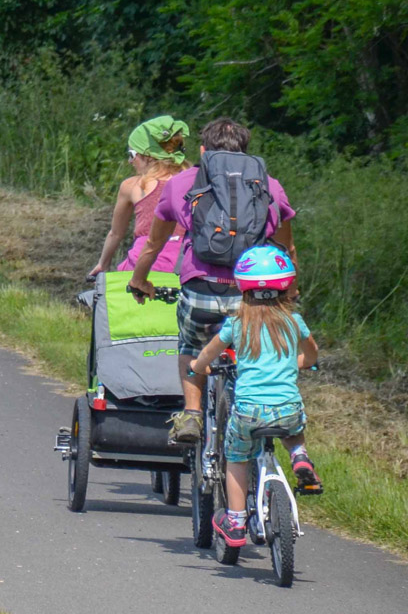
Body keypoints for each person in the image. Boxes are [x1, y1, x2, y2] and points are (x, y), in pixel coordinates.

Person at [126, 118, 295, 444]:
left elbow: (153, 244)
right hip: (254, 295)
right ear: (245, 151)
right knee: (255, 350)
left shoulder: (181, 183)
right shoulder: (270, 185)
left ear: (203, 151)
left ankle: (191, 414)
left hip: (201, 289)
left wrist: (140, 280)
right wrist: (291, 291)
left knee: (191, 345)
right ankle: (258, 411)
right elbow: (287, 248)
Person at [188, 245, 322, 548]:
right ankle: (299, 457)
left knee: (235, 458)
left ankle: (235, 521)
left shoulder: (236, 324)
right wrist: (303, 363)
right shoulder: (294, 322)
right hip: (287, 408)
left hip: (248, 411)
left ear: (242, 287)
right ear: (286, 286)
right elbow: (311, 353)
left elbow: (208, 354)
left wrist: (198, 367)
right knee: (293, 426)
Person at [86, 115, 191, 281]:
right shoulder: (195, 181)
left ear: (147, 155)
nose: (130, 161)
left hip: (144, 265)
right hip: (185, 265)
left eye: (132, 154)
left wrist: (103, 264)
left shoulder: (132, 186)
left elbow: (115, 234)